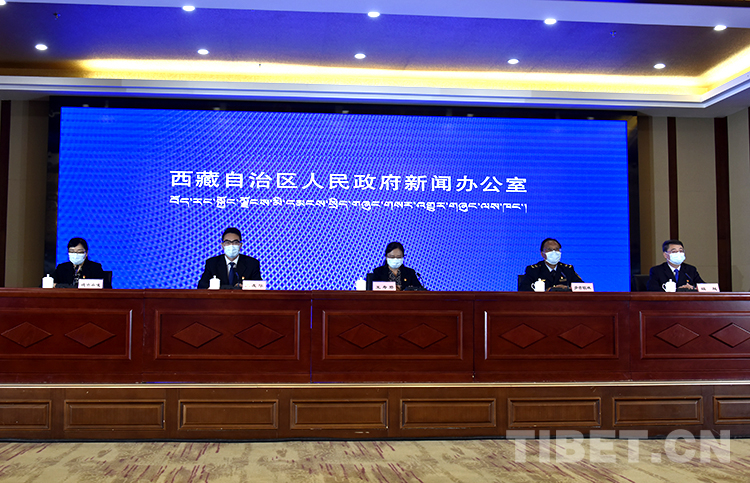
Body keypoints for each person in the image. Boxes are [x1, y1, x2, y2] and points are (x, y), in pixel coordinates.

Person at [197, 227, 261, 289]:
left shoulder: (252, 264)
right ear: (223, 245)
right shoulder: (212, 263)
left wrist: (245, 287)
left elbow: (259, 287)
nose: (231, 245)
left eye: (235, 242)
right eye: (227, 242)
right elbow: (202, 286)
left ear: (240, 245)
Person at [519, 238, 583, 291]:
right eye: (549, 250)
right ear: (542, 254)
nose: (554, 252)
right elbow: (523, 289)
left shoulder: (567, 269)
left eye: (556, 249)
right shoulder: (534, 270)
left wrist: (567, 288)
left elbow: (582, 287)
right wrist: (546, 291)